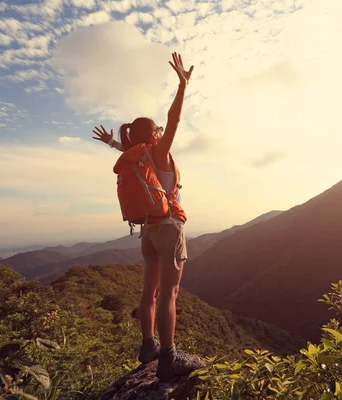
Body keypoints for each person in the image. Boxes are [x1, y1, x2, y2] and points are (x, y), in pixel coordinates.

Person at [92, 52, 205, 381]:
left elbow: (125, 149)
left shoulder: (136, 157)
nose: (161, 133)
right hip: (169, 230)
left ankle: (148, 347)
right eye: (157, 131)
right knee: (169, 294)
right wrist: (182, 86)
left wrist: (113, 141)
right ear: (154, 135)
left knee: (149, 292)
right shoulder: (159, 152)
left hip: (148, 233)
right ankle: (169, 358)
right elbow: (174, 121)